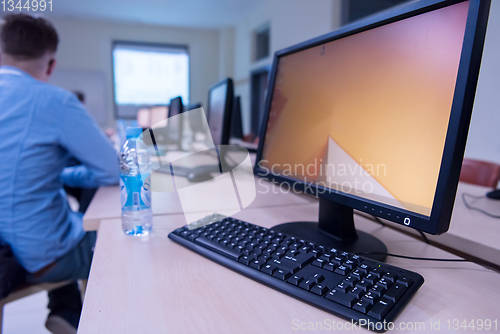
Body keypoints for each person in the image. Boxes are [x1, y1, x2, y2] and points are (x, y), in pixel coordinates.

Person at [0, 14, 119, 334]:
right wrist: (74, 174)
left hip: (6, 250)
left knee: (61, 215)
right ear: (51, 64)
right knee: (117, 231)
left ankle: (66, 311)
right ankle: (83, 315)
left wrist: (57, 172)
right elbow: (112, 171)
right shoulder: (53, 100)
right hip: (38, 257)